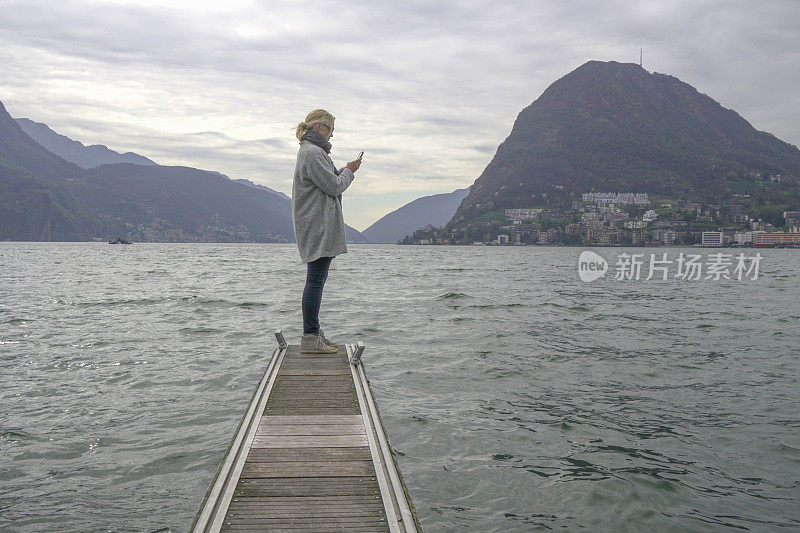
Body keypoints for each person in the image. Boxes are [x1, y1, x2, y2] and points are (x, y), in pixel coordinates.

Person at [291, 109, 362, 354]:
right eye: (331, 129)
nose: (332, 135)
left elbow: (328, 179)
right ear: (319, 128)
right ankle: (310, 337)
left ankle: (314, 333)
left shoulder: (312, 152)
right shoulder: (313, 153)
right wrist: (349, 173)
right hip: (318, 225)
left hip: (315, 224)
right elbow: (333, 186)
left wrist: (344, 169)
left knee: (316, 279)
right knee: (316, 280)